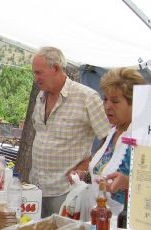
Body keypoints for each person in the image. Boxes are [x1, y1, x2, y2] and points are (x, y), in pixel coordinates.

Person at [30, 47, 112, 217]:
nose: (36, 78)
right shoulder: (41, 97)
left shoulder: (86, 97)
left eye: (39, 73)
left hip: (66, 190)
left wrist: (86, 167)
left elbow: (108, 140)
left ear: (56, 68)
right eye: (34, 73)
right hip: (36, 187)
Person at [69, 68, 146, 213]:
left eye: (115, 101)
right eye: (105, 99)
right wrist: (84, 176)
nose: (107, 106)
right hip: (98, 216)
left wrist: (128, 182)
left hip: (123, 222)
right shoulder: (112, 133)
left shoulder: (142, 138)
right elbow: (102, 171)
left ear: (134, 103)